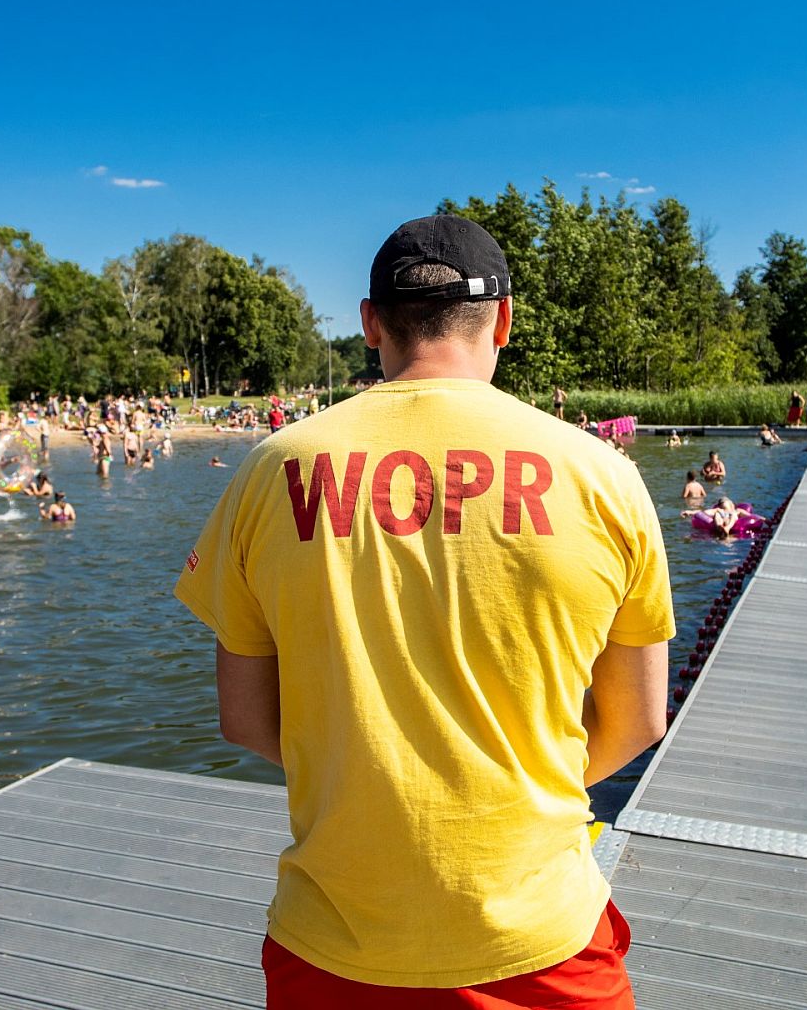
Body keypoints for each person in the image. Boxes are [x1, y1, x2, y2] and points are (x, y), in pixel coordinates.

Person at [175, 215, 672, 1005]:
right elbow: (640, 719)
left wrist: (372, 778)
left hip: (336, 940)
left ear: (370, 322)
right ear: (504, 319)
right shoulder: (601, 473)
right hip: (540, 937)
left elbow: (244, 718)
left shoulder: (273, 469)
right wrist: (508, 789)